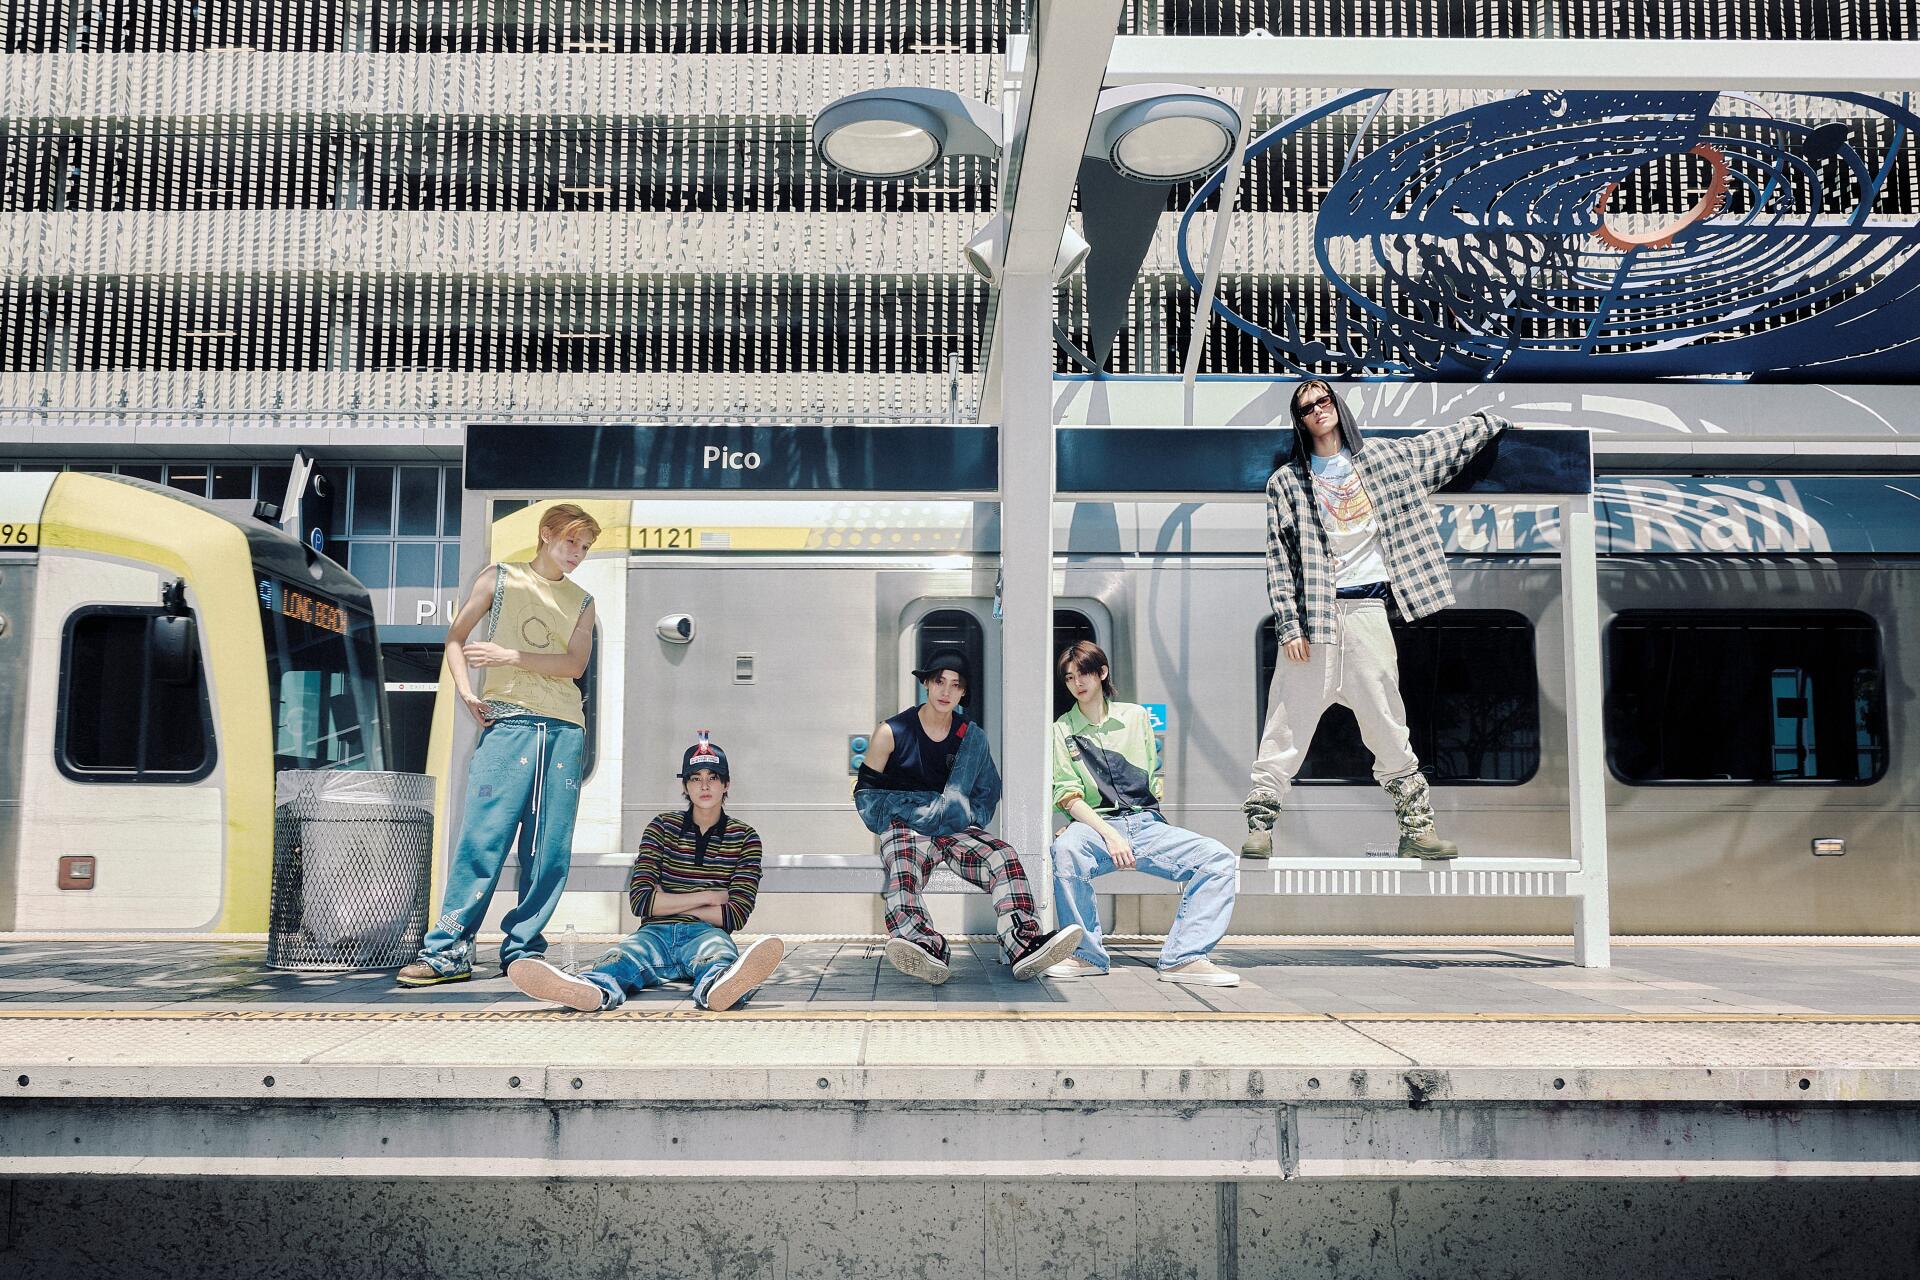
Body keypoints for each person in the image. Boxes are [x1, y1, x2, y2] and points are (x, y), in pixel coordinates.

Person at [1245, 381, 1517, 861]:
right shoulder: (1288, 481)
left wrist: (1489, 422)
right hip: (1315, 618)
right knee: (1286, 725)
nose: (1317, 411)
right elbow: (1278, 559)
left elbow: (1444, 445)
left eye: (1323, 400)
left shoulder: (1387, 460)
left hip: (1369, 611)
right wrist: (1288, 624)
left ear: (1337, 406)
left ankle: (1417, 829)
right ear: (1300, 420)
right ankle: (1261, 827)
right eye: (1306, 407)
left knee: (1388, 723)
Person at [398, 503, 601, 987]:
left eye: (586, 547)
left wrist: (510, 655)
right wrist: (467, 692)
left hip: (564, 730)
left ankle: (524, 951)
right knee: (482, 839)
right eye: (572, 541)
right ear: (547, 534)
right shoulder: (500, 578)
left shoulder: (584, 601)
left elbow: (574, 666)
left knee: (549, 850)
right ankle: (447, 952)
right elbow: (455, 639)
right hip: (508, 724)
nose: (577, 554)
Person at [853, 649, 1083, 985]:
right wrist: (918, 809)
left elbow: (988, 791)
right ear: (927, 685)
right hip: (908, 827)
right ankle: (925, 946)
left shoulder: (970, 737)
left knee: (1003, 856)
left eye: (955, 685)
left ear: (963, 692)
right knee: (903, 870)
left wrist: (961, 814)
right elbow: (867, 799)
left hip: (957, 829)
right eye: (939, 682)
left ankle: (1023, 944)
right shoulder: (891, 732)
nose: (946, 691)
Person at [508, 734, 783, 1012]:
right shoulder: (661, 826)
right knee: (618, 958)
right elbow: (640, 901)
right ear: (685, 786)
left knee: (718, 957)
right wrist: (711, 896)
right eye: (695, 778)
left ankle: (719, 989)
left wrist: (665, 902)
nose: (704, 786)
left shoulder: (745, 837)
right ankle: (592, 990)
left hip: (707, 934)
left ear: (726, 784)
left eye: (713, 777)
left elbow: (736, 914)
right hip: (654, 934)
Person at [1047, 641, 1241, 986]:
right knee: (1066, 850)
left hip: (1145, 824)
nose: (1077, 683)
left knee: (1219, 859)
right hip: (1096, 825)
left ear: (1102, 673)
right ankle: (1086, 955)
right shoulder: (1061, 729)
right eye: (1069, 677)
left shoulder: (1135, 717)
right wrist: (1108, 833)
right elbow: (1067, 794)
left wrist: (1142, 827)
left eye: (1084, 673)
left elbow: (1152, 776)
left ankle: (1184, 958)